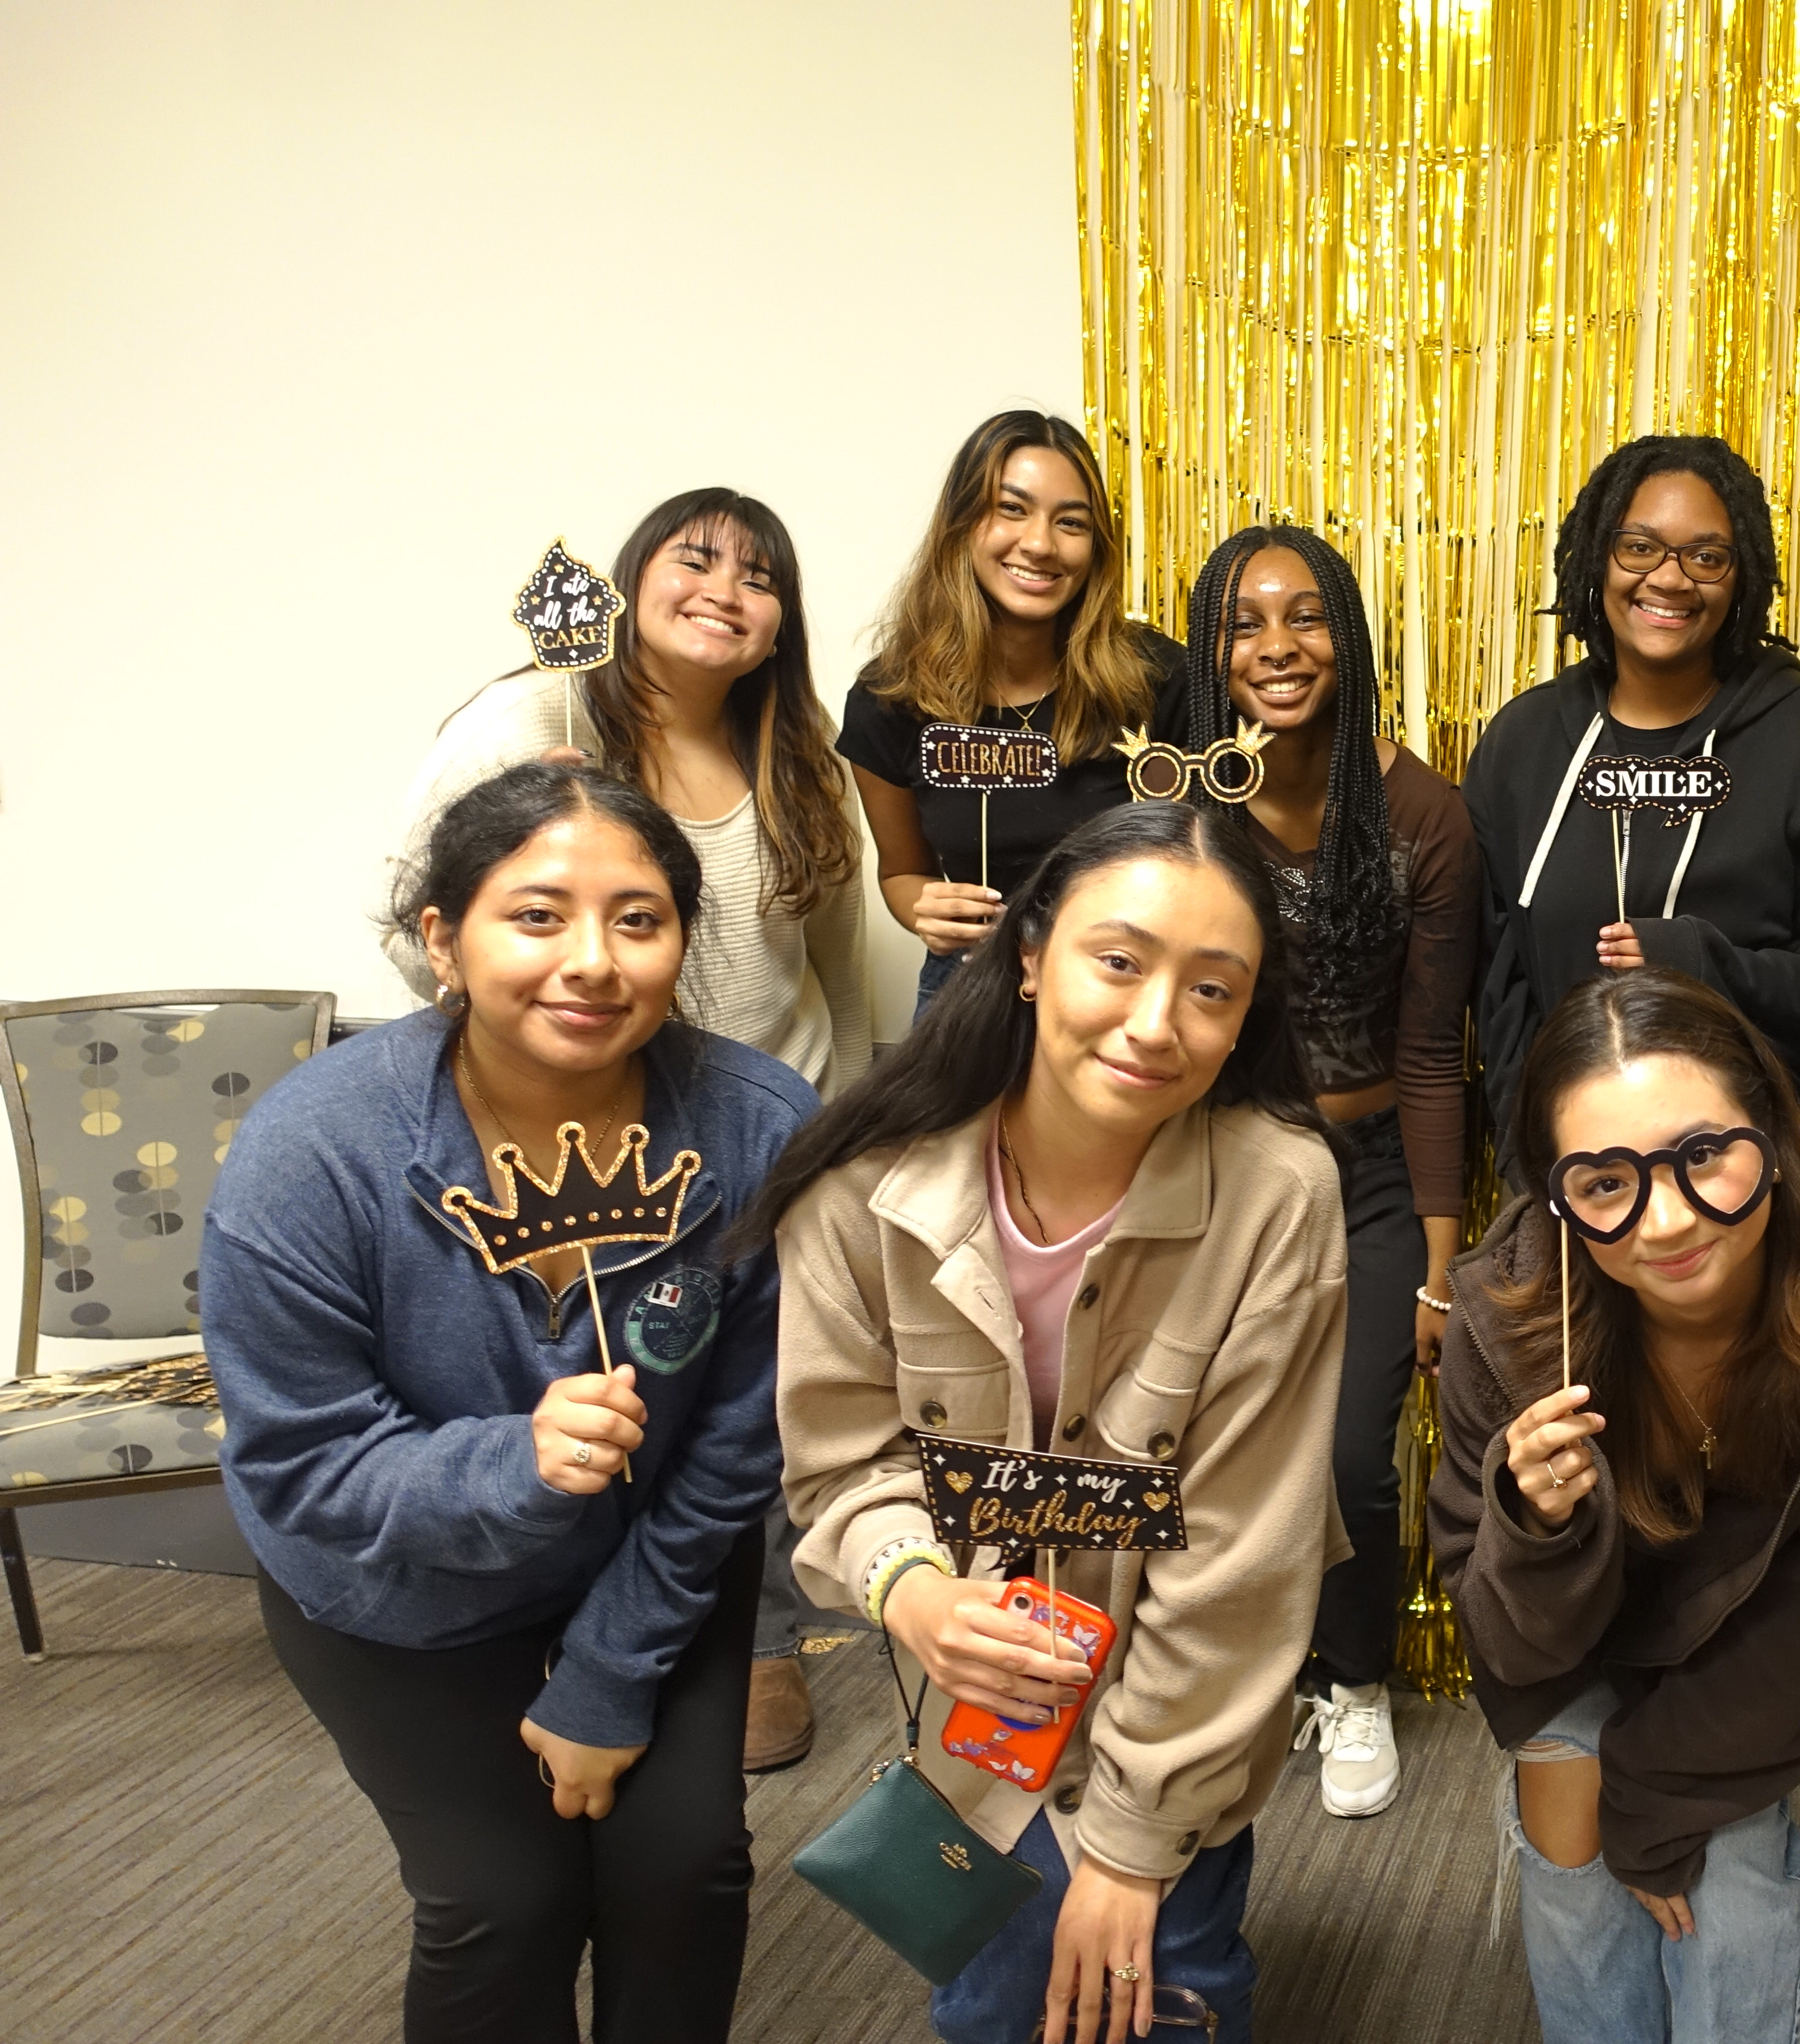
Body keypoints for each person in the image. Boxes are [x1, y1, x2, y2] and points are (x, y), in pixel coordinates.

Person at [210, 763, 818, 2043]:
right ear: (443, 938)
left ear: (682, 941)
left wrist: (607, 1677)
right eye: (536, 915)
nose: (590, 961)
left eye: (638, 919)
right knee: (504, 1901)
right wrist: (517, 1465)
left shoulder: (760, 1127)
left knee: (681, 1876)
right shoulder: (313, 1153)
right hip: (395, 1598)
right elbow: (304, 1471)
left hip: (658, 1563)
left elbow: (734, 1445)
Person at [751, 801, 1347, 2044]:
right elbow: (844, 1465)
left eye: (1212, 990)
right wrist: (911, 1588)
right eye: (1118, 961)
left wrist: (1131, 1848)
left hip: (1179, 1704)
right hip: (977, 1730)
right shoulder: (859, 1184)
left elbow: (1240, 1561)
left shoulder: (1278, 1192)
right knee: (998, 2005)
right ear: (1029, 957)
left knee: (1160, 1991)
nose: (1153, 1024)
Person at [385, 486, 871, 1767]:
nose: (726, 587)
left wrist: (852, 1119)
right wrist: (520, 1049)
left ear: (780, 627)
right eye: (695, 558)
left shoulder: (795, 758)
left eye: (760, 575)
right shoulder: (530, 717)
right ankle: (571, 1628)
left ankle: (759, 1642)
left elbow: (832, 954)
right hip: (592, 1126)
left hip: (759, 1136)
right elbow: (413, 911)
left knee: (753, 1396)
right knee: (594, 1381)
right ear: (627, 581)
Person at [1430, 970, 1800, 2043]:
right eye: (1602, 1183)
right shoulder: (1504, 1317)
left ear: (1772, 1128)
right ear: (1554, 1195)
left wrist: (1649, 1798)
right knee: (1565, 1823)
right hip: (1574, 1638)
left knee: (1724, 1867)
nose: (1669, 1220)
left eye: (1703, 1154)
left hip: (1775, 1635)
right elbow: (1508, 1634)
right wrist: (1534, 1519)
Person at [1176, 523, 1481, 1819]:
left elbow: (1429, 1057)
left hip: (1359, 1171)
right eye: (1245, 622)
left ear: (1346, 640)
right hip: (1209, 1167)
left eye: (1305, 617)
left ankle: (1353, 1682)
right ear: (1210, 650)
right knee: (1208, 1440)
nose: (1276, 647)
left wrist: (1436, 1263)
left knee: (1350, 1449)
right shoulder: (1181, 803)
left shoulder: (1421, 814)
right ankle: (1262, 1674)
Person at [1465, 435, 1800, 1151]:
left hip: (1779, 1174)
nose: (1668, 580)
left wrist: (1704, 966)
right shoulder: (1525, 743)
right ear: (1597, 557)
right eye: (1640, 547)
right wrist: (1532, 1147)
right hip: (1585, 1174)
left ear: (1742, 579)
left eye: (1706, 557)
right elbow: (1498, 978)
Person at [835, 408, 1189, 1015]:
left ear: (1096, 547)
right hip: (972, 982)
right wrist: (927, 910)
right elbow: (902, 875)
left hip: (1130, 987)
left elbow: (1207, 859)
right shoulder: (889, 699)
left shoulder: (1160, 680)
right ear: (963, 523)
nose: (1040, 544)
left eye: (1070, 522)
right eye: (1012, 509)